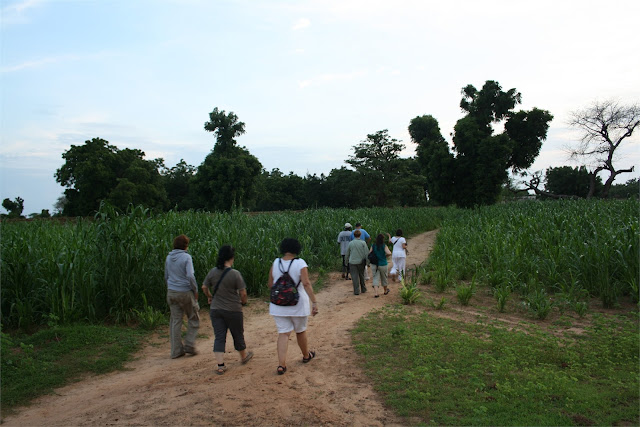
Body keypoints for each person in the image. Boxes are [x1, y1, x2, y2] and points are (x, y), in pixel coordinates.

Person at [268, 238, 319, 375]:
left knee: (283, 333)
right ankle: (306, 355)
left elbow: (270, 284)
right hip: (297, 304)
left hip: (278, 306)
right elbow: (306, 283)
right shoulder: (300, 263)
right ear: (297, 249)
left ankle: (281, 365)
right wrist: (314, 302)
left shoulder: (275, 262)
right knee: (300, 331)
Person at [201, 245, 253, 375]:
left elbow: (204, 287)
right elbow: (243, 293)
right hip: (233, 310)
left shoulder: (213, 272)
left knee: (219, 336)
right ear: (231, 258)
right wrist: (243, 302)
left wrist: (209, 297)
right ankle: (243, 356)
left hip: (216, 309)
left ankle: (220, 365)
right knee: (237, 334)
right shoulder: (235, 274)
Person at [164, 234, 200, 359]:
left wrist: (170, 288)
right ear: (185, 246)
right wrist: (195, 290)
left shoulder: (168, 258)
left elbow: (166, 275)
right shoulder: (186, 257)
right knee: (193, 317)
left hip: (171, 292)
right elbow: (190, 275)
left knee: (175, 321)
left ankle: (176, 351)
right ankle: (189, 344)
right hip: (185, 291)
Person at [346, 229, 368, 295]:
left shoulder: (351, 243)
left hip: (352, 262)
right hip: (361, 262)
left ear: (354, 235)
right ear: (360, 235)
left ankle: (356, 291)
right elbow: (366, 253)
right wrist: (368, 262)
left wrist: (346, 261)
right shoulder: (363, 243)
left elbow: (347, 253)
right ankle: (363, 289)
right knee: (361, 275)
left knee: (354, 277)